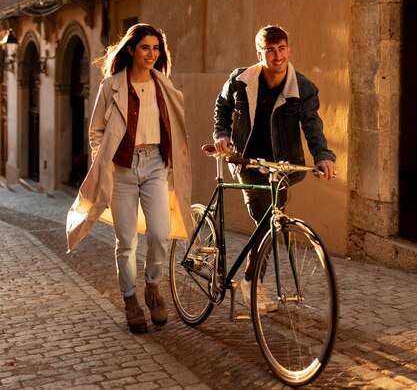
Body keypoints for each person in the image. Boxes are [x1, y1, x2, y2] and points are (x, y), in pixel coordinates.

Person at [66, 23, 192, 334]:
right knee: (126, 241)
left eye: (156, 48)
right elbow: (95, 130)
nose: (152, 54)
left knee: (161, 233)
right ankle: (131, 300)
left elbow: (175, 127)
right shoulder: (111, 86)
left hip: (155, 167)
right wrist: (103, 158)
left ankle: (152, 286)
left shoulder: (164, 86)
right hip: (121, 170)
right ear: (132, 50)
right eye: (146, 47)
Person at [213, 24, 336, 313]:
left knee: (274, 222)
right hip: (246, 161)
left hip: (280, 167)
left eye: (281, 49)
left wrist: (323, 156)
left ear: (288, 50)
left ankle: (252, 280)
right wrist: (222, 135)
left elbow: (312, 126)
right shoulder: (241, 80)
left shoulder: (303, 88)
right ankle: (251, 282)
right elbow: (222, 108)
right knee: (265, 221)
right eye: (270, 50)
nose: (277, 56)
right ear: (260, 53)